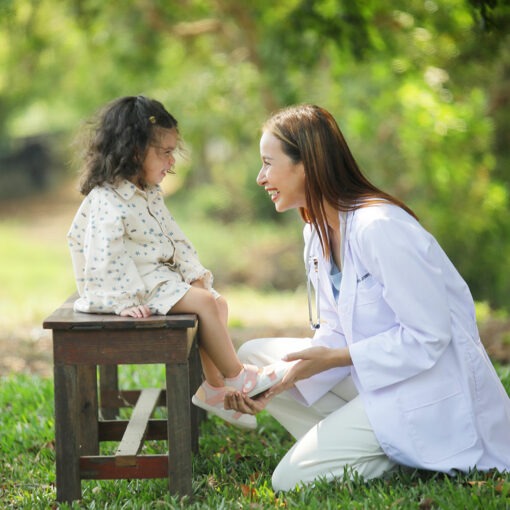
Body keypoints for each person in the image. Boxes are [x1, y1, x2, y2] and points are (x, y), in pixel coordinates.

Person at [224, 104, 510, 491]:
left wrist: (336, 358)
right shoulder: (318, 231)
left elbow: (430, 337)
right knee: (256, 357)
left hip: (424, 389)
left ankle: (393, 451)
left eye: (267, 163)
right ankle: (364, 444)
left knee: (289, 481)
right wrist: (288, 376)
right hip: (376, 381)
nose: (260, 178)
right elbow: (337, 330)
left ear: (307, 164)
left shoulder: (380, 228)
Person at [67, 95, 290, 429]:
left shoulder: (149, 193)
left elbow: (175, 238)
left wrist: (194, 274)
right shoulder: (107, 199)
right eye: (165, 152)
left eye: (173, 151)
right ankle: (237, 376)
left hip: (159, 280)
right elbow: (103, 255)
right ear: (133, 151)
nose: (172, 161)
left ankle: (213, 391)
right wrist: (125, 300)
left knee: (216, 303)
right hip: (132, 289)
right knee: (204, 303)